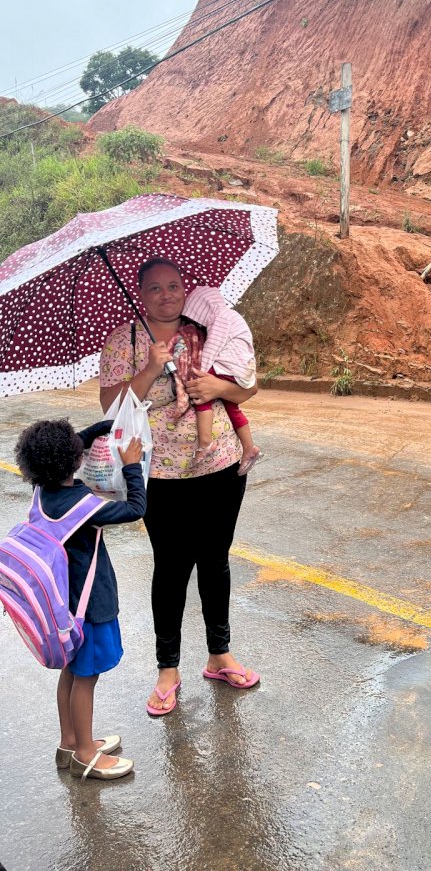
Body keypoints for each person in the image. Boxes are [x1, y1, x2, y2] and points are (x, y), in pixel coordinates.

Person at [99, 256, 259, 717]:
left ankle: (219, 654)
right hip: (160, 474)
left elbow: (248, 386)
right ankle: (167, 668)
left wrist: (217, 386)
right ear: (140, 292)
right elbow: (111, 405)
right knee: (170, 567)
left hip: (221, 463)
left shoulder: (207, 327)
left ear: (185, 288)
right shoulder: (124, 340)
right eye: (155, 288)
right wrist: (150, 367)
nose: (167, 295)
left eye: (174, 285)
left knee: (215, 559)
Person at [14, 418, 145, 782]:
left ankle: (69, 742)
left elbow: (66, 450)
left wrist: (103, 426)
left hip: (61, 606)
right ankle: (86, 755)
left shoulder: (43, 493)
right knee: (86, 677)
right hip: (90, 605)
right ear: (76, 460)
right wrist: (132, 465)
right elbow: (136, 507)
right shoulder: (86, 506)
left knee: (72, 672)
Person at [178, 285, 262, 475]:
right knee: (232, 407)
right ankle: (249, 448)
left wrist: (199, 371)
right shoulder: (232, 316)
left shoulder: (220, 319)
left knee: (201, 393)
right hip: (242, 368)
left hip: (229, 367)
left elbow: (212, 348)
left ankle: (206, 442)